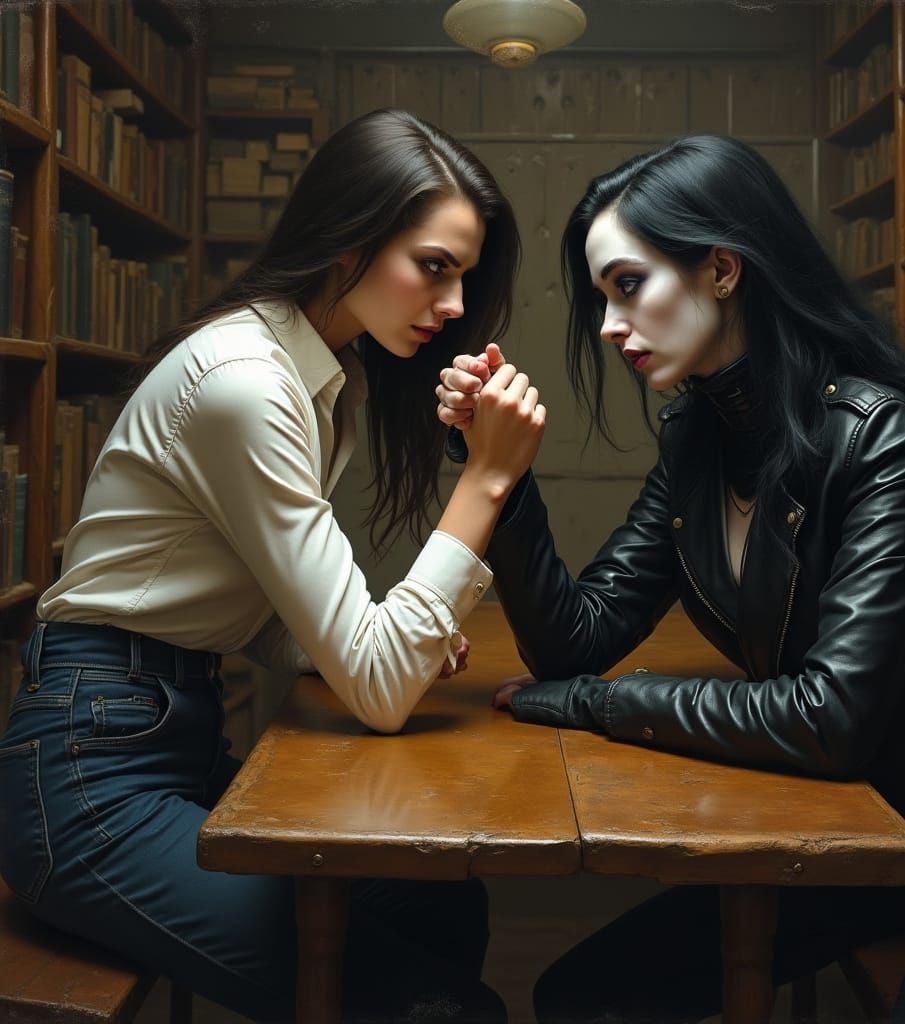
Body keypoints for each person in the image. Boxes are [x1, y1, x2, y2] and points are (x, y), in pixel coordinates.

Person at [436, 134, 905, 1023]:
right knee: (584, 997)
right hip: (837, 816)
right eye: (602, 297)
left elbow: (829, 720)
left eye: (628, 285)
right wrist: (499, 471)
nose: (608, 326)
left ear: (720, 269)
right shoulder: (698, 437)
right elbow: (575, 642)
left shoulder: (879, 436)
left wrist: (594, 703)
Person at [0, 108, 547, 1022]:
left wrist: (385, 643)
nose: (455, 305)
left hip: (164, 735)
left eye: (463, 275)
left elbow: (258, 614)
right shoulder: (247, 383)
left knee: (441, 897)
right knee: (442, 1009)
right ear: (348, 243)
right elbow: (378, 692)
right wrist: (487, 479)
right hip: (89, 783)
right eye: (433, 266)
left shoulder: (324, 372)